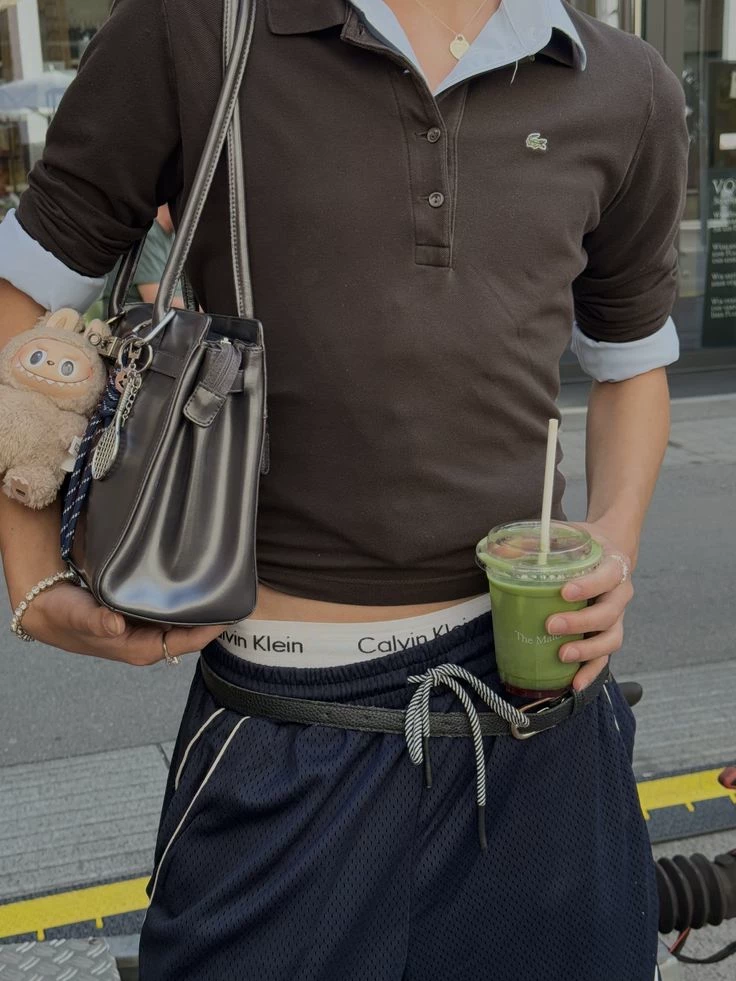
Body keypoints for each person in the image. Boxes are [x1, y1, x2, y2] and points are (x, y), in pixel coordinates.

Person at [0, 1, 687, 979]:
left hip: (540, 722)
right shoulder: (195, 28)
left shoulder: (627, 84)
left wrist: (612, 538)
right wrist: (30, 575)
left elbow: (631, 364)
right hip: (286, 721)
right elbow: (21, 302)